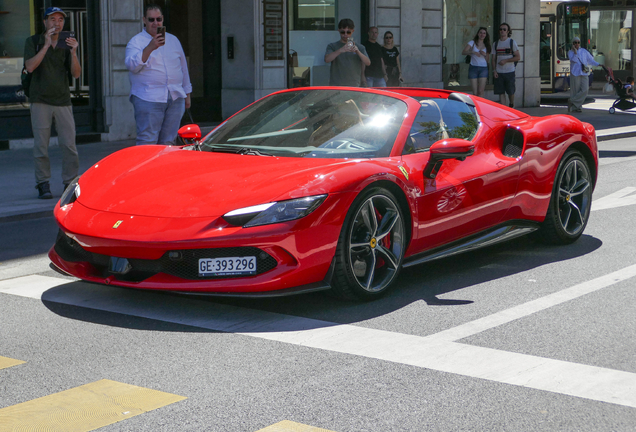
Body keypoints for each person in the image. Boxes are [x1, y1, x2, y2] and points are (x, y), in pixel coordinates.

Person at [24, 7, 81, 199]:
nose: (56, 23)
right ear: (44, 22)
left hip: (63, 100)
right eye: (52, 19)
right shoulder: (33, 41)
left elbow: (76, 74)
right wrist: (46, 45)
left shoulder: (66, 44)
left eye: (60, 20)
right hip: (40, 100)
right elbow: (30, 67)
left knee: (69, 145)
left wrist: (73, 53)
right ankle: (43, 183)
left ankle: (70, 183)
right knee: (41, 145)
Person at [125, 4, 192, 145]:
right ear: (144, 20)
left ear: (162, 19)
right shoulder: (136, 42)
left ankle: (163, 168)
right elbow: (132, 66)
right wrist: (150, 47)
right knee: (147, 141)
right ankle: (145, 168)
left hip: (175, 97)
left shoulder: (173, 40)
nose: (155, 23)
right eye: (151, 19)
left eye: (158, 19)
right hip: (148, 97)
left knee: (169, 142)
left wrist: (187, 94)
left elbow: (183, 69)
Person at [324, 19, 370, 87]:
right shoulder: (332, 46)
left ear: (352, 31)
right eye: (343, 32)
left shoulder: (360, 47)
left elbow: (368, 63)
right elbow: (327, 59)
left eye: (348, 32)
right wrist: (341, 50)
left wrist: (358, 52)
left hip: (354, 84)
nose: (345, 35)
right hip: (336, 84)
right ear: (339, 31)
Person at [491, 22, 520, 108]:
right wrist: (494, 70)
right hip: (499, 72)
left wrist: (506, 60)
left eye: (504, 29)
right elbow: (493, 59)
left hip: (510, 71)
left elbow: (518, 57)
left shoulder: (512, 42)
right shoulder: (495, 44)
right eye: (501, 29)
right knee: (500, 92)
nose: (502, 31)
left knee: (510, 91)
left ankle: (511, 104)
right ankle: (504, 109)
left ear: (508, 31)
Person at [567, 37, 598, 112]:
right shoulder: (570, 52)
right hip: (575, 73)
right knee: (575, 91)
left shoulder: (584, 51)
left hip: (584, 73)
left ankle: (572, 100)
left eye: (578, 42)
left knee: (585, 90)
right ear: (573, 44)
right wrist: (575, 52)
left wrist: (598, 64)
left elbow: (590, 60)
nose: (577, 44)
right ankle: (576, 107)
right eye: (575, 42)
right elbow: (573, 60)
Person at [462, 27, 491, 97]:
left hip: (483, 68)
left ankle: (480, 107)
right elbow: (463, 52)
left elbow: (487, 60)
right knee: (474, 93)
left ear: (486, 35)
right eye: (481, 33)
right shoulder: (472, 42)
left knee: (480, 91)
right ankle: (475, 107)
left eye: (484, 33)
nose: (482, 34)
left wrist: (484, 54)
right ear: (478, 34)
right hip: (473, 67)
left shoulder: (487, 45)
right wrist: (473, 52)